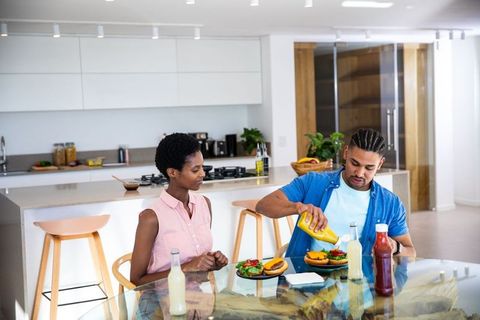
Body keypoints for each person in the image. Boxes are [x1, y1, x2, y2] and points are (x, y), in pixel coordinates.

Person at [256, 128, 415, 257]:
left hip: (361, 285)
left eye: (369, 168)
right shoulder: (313, 182)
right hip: (306, 281)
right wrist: (298, 207)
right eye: (354, 163)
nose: (359, 173)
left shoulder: (390, 203)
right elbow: (263, 206)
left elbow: (411, 252)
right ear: (345, 153)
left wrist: (395, 247)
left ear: (380, 164)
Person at [130, 133, 228, 286]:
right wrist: (187, 267)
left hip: (200, 299)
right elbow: (137, 280)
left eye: (202, 167)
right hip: (162, 302)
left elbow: (197, 260)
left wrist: (212, 261)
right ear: (173, 172)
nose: (203, 174)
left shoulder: (204, 204)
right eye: (195, 170)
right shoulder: (151, 217)